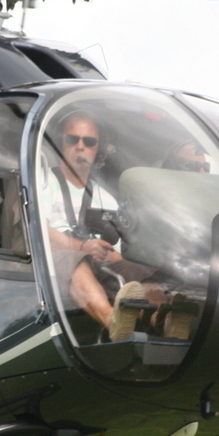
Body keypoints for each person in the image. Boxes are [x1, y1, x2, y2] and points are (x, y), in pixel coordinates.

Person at [40, 110, 165, 341]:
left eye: (89, 142)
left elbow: (115, 243)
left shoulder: (105, 197)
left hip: (96, 260)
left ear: (98, 149)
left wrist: (115, 257)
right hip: (52, 260)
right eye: (72, 139)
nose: (80, 146)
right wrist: (80, 247)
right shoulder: (42, 181)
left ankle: (165, 324)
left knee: (143, 273)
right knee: (74, 261)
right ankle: (113, 321)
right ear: (61, 143)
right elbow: (38, 230)